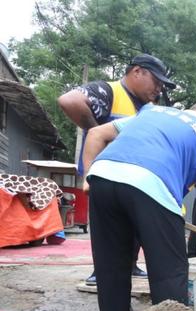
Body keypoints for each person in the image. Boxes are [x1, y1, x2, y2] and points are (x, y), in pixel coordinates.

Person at [81, 102, 196, 311]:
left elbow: (96, 133)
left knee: (111, 268)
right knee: (170, 273)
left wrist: (87, 174)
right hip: (152, 184)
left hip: (102, 177)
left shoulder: (150, 112)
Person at [57, 53, 177, 286]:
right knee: (109, 228)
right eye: (157, 81)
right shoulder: (108, 91)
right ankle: (101, 272)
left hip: (134, 179)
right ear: (137, 72)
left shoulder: (147, 108)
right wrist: (99, 133)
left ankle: (130, 265)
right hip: (104, 176)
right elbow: (69, 101)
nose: (159, 89)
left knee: (134, 226)